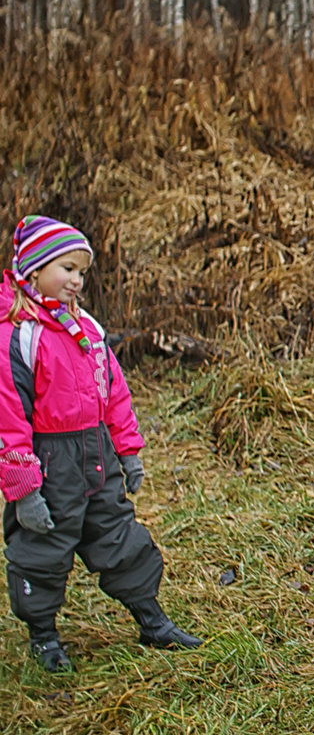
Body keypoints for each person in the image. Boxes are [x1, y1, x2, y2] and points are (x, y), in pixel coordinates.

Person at [1, 215, 202, 673]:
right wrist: (24, 488)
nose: (77, 280)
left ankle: (151, 619)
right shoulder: (17, 334)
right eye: (67, 269)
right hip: (49, 461)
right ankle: (44, 637)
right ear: (33, 271)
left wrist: (127, 451)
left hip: (97, 455)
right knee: (42, 550)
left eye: (82, 272)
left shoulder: (85, 327)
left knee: (120, 534)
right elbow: (8, 416)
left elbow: (113, 389)